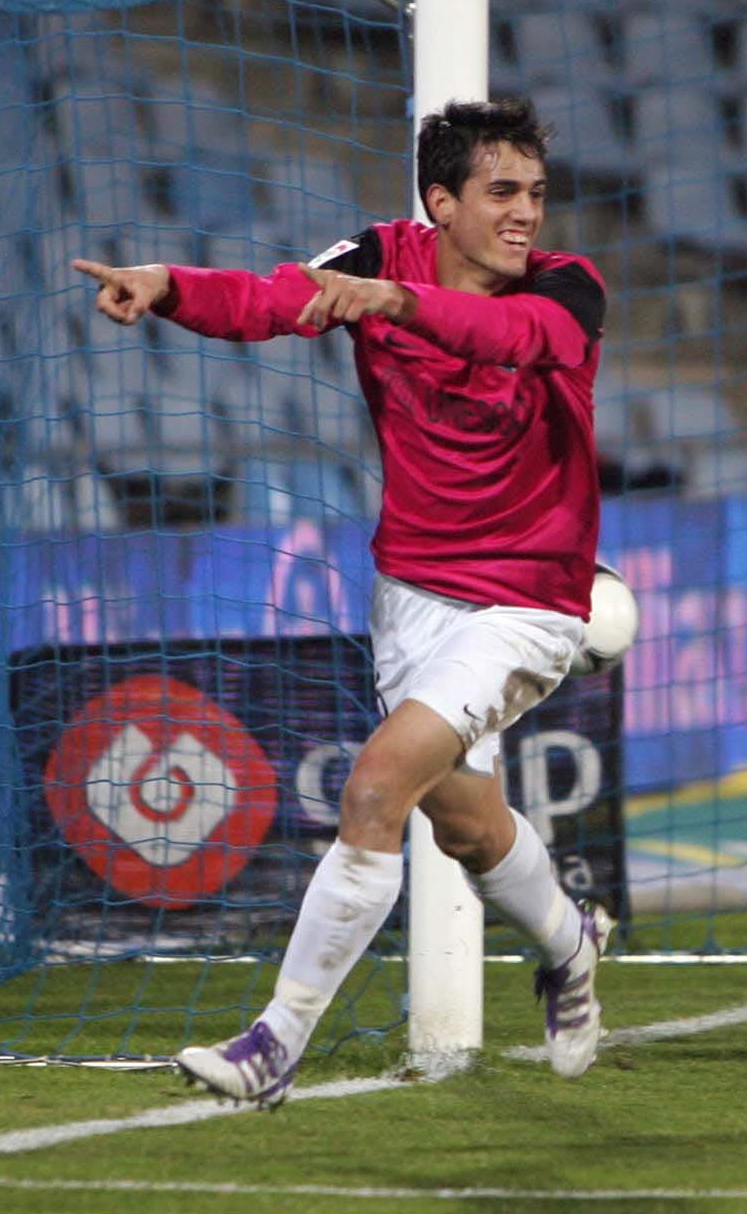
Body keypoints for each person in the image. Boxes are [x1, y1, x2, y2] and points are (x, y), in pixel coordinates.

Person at [73, 98, 612, 1107]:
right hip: (411, 595)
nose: (527, 213)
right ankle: (570, 946)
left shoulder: (568, 289)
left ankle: (272, 1045)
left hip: (527, 601)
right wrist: (169, 285)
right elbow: (276, 298)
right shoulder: (374, 254)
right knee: (468, 826)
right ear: (440, 202)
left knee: (373, 788)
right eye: (502, 192)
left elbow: (511, 338)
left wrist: (393, 306)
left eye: (536, 192)